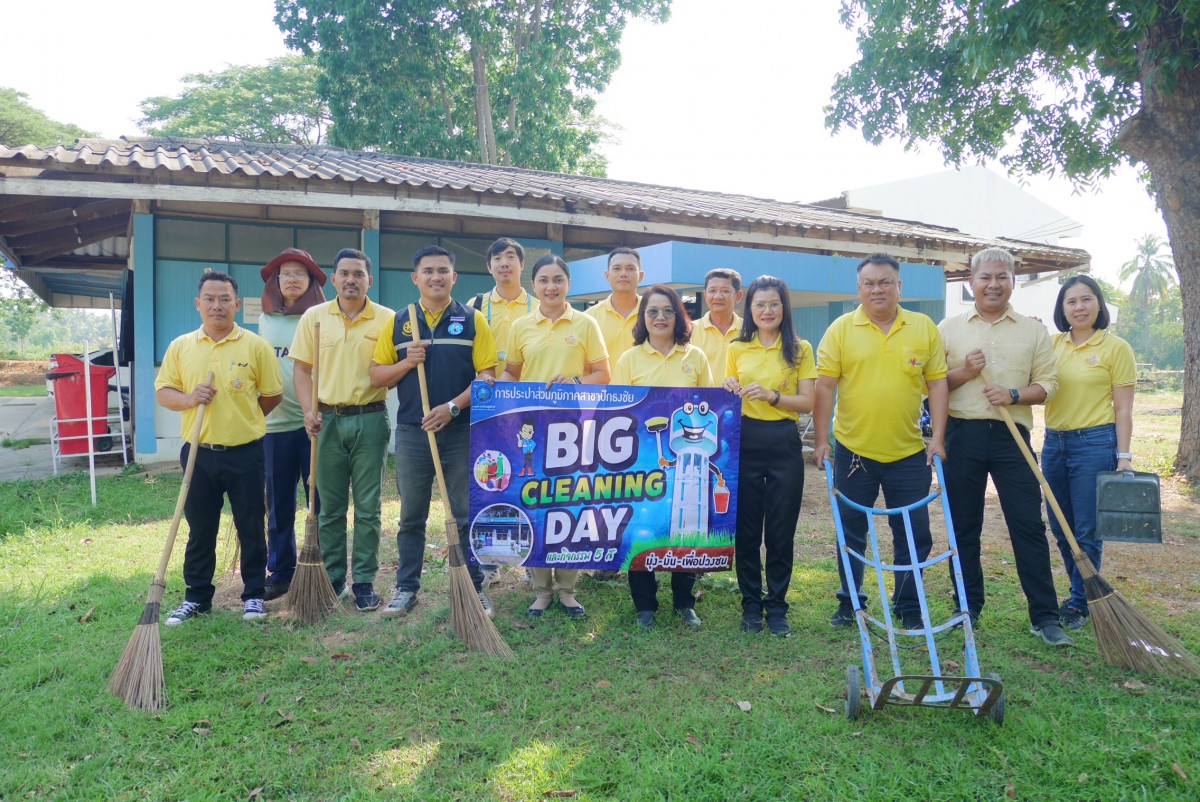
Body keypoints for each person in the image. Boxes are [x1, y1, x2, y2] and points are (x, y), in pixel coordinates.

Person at [939, 247, 1071, 646]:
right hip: (962, 435)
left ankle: (1045, 616)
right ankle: (967, 607)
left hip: (1012, 437)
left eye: (1002, 277)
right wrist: (965, 372)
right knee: (963, 525)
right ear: (970, 283)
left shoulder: (1033, 331)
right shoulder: (948, 329)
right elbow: (934, 385)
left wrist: (1014, 394)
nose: (993, 284)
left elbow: (1048, 385)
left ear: (1013, 281)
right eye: (985, 277)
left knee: (1028, 524)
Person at [812, 254, 948, 633]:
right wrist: (822, 441)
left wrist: (937, 438)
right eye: (869, 283)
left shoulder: (923, 327)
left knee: (911, 531)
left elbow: (938, 383)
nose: (877, 289)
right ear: (858, 289)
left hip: (908, 453)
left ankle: (908, 605)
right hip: (854, 453)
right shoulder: (840, 329)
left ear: (899, 287)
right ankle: (850, 602)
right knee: (851, 530)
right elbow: (824, 386)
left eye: (885, 282)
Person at [369, 245, 499, 618]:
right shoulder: (398, 323)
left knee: (464, 513)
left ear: (454, 277)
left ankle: (473, 588)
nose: (436, 277)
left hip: (459, 431)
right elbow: (377, 375)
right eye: (428, 271)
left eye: (443, 270)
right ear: (416, 278)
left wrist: (452, 407)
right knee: (412, 515)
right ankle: (406, 588)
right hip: (413, 432)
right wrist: (407, 363)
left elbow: (487, 377)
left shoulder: (473, 320)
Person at [156, 271, 283, 625]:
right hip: (199, 452)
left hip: (246, 453)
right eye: (210, 298)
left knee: (251, 526)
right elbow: (164, 392)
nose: (217, 305)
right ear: (198, 304)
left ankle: (254, 594)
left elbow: (273, 394)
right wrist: (189, 398)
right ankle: (197, 597)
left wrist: (245, 420)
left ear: (237, 305)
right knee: (200, 528)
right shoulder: (181, 346)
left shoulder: (255, 346)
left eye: (225, 298)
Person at [500, 254, 611, 617]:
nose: (551, 286)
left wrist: (576, 381)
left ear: (568, 284)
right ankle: (541, 590)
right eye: (544, 280)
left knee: (568, 504)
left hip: (575, 430)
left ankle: (567, 589)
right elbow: (511, 375)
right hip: (531, 430)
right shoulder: (520, 325)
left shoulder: (586, 323)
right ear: (534, 285)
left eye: (558, 279)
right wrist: (494, 395)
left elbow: (603, 374)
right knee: (535, 502)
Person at [290, 248, 390, 613]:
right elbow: (301, 372)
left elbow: (393, 371)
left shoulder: (387, 320)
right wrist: (307, 411)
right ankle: (332, 577)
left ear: (369, 280)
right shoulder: (314, 318)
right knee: (328, 506)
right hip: (326, 421)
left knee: (368, 507)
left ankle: (363, 580)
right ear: (333, 279)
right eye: (344, 273)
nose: (351, 279)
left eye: (358, 273)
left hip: (371, 417)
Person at [611, 285, 714, 630]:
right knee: (644, 526)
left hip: (688, 462)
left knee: (686, 525)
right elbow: (617, 412)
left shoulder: (695, 357)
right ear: (643, 317)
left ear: (678, 316)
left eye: (667, 311)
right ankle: (645, 605)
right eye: (652, 311)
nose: (659, 317)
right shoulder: (629, 360)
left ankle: (685, 602)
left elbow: (709, 405)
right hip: (642, 459)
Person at [724, 276, 816, 637]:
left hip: (783, 441)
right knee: (747, 531)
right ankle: (750, 605)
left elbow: (808, 402)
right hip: (744, 439)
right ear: (749, 307)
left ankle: (777, 607)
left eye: (774, 304)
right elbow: (727, 392)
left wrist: (772, 396)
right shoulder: (736, 348)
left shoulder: (799, 348)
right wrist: (728, 387)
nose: (767, 310)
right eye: (760, 304)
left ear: (784, 307)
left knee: (780, 531)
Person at [1043, 275, 1136, 631]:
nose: (1079, 307)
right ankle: (1079, 592)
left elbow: (1124, 409)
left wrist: (1124, 455)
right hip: (1054, 444)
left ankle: (1082, 603)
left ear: (1099, 304)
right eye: (1071, 301)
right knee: (1059, 525)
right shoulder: (1052, 345)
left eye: (1086, 299)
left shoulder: (1116, 348)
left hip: (1094, 445)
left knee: (1086, 530)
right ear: (1062, 308)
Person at [258, 248, 327, 601]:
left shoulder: (321, 318)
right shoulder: (264, 320)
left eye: (300, 273)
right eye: (285, 273)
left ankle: (325, 566)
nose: (292, 279)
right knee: (279, 502)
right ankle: (281, 570)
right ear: (276, 281)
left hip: (315, 423)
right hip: (275, 425)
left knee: (320, 498)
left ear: (312, 281)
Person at [470, 237, 534, 585]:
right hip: (488, 410)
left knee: (528, 478)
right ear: (489, 266)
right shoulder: (476, 305)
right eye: (497, 258)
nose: (504, 263)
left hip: (531, 412)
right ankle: (490, 561)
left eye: (511, 257)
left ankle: (529, 559)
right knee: (489, 479)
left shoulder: (540, 305)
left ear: (522, 265)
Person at [585, 246, 644, 580]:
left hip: (648, 414)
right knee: (604, 486)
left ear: (641, 275)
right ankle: (605, 557)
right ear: (607, 275)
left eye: (630, 268)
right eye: (617, 268)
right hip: (603, 413)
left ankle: (637, 554)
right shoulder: (590, 316)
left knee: (641, 484)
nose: (624, 273)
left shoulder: (657, 310)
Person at [690, 268, 744, 381]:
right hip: (701, 398)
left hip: (740, 398)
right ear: (705, 295)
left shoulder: (750, 331)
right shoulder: (689, 331)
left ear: (738, 296)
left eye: (725, 291)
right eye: (712, 291)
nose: (718, 296)